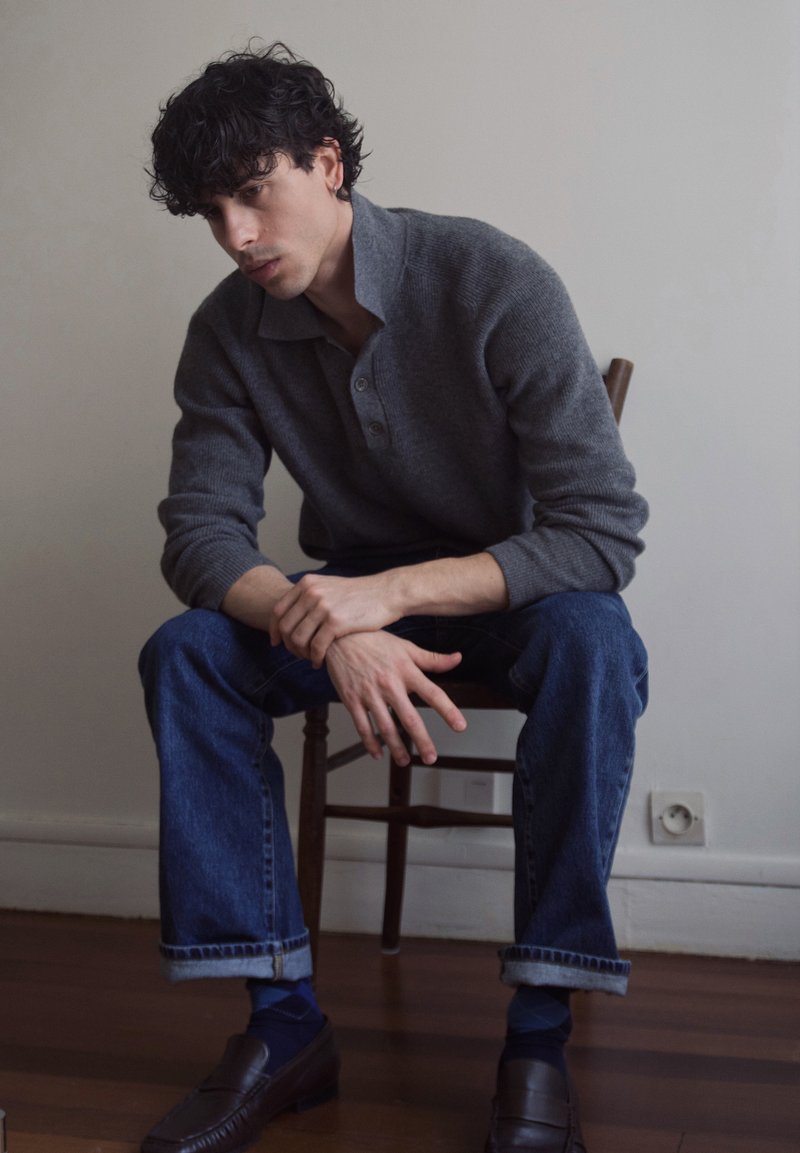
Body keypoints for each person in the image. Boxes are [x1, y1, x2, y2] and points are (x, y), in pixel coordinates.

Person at [138, 42, 648, 1153]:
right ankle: (282, 1027)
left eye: (252, 191)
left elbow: (598, 531)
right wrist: (326, 624)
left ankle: (537, 1032)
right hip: (340, 606)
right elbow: (200, 531)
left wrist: (379, 598)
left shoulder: (489, 279)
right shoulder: (226, 330)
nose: (234, 235)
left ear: (326, 163)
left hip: (504, 597)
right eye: (209, 211)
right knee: (184, 651)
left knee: (595, 641)